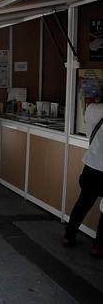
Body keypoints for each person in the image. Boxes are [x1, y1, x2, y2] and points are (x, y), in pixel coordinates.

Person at [63, 87, 103, 257]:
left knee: (83, 202)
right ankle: (98, 246)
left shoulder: (93, 109)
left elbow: (89, 132)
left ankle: (69, 235)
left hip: (92, 164)